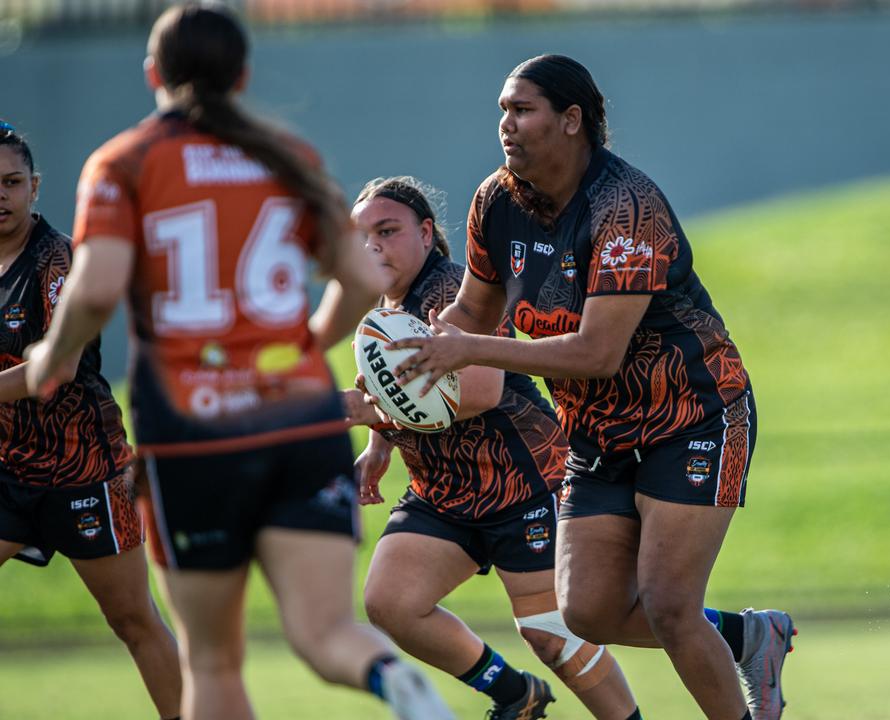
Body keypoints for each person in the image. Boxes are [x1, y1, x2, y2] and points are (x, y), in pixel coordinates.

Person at [22, 5, 451, 720]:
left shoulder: (125, 162)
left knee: (214, 661)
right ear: (244, 75)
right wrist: (313, 341)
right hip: (303, 422)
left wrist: (50, 359)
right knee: (326, 633)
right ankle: (389, 677)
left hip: (194, 436)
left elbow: (95, 289)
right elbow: (362, 279)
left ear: (154, 73)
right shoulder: (287, 156)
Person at [383, 55, 794, 720]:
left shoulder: (627, 207)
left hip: (692, 415)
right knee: (589, 611)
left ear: (572, 120)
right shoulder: (494, 202)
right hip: (598, 435)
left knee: (667, 603)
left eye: (522, 110)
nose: (505, 126)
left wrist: (466, 347)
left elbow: (598, 353)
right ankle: (751, 635)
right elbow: (471, 313)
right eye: (501, 112)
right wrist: (411, 369)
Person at [347, 175, 643, 720]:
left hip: (521, 481)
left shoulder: (448, 294)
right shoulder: (381, 313)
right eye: (362, 236)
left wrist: (371, 412)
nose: (372, 246)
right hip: (445, 490)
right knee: (392, 601)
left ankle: (729, 633)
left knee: (554, 632)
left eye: (387, 231)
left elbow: (478, 392)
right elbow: (398, 387)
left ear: (426, 232)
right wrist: (379, 442)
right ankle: (515, 695)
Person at [0, 121, 182, 720]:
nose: (1, 195)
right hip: (7, 469)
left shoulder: (58, 261)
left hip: (83, 467)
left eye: (12, 182)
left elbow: (54, 370)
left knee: (133, 620)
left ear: (35, 186)